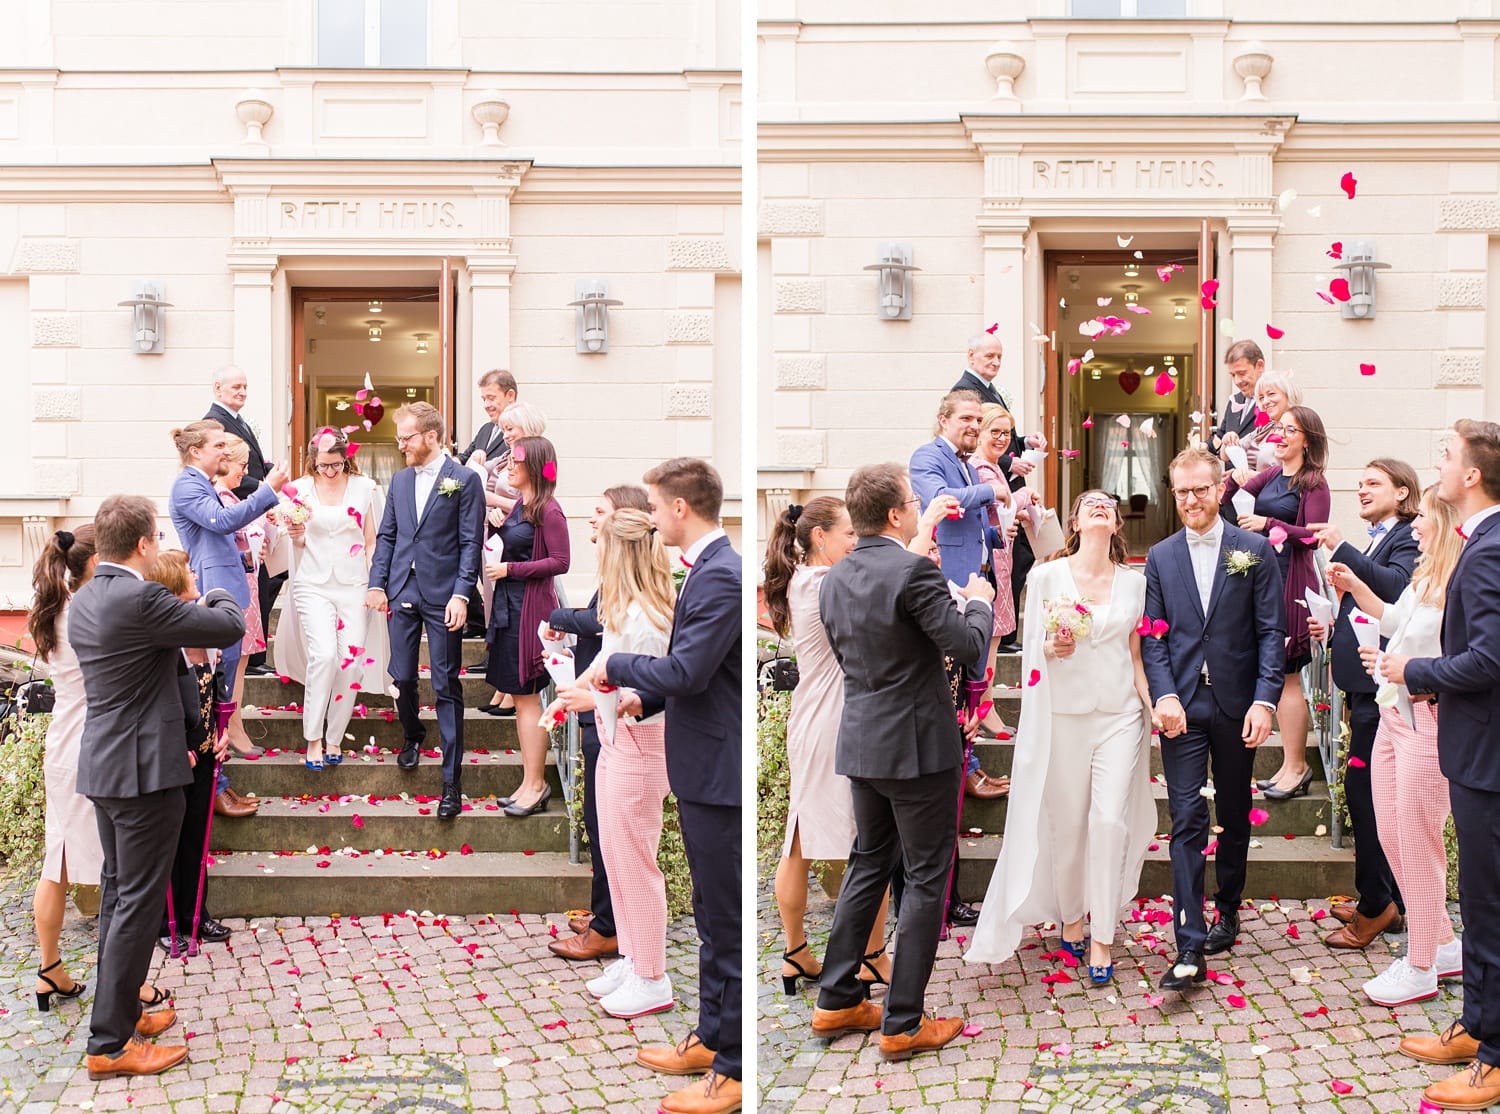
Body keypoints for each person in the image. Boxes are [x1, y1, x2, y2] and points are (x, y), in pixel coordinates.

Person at [808, 463, 993, 1063]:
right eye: (913, 502)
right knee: (924, 876)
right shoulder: (914, 572)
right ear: (894, 514)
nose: (918, 510)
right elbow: (966, 648)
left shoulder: (834, 579)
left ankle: (836, 998)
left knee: (868, 864)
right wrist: (980, 605)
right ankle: (903, 1021)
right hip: (917, 748)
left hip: (863, 740)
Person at [580, 458, 742, 1114]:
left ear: (680, 508)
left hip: (716, 769)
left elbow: (689, 671)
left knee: (724, 922)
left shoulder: (722, 574)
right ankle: (710, 1036)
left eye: (654, 504)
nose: (648, 516)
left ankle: (730, 1073)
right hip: (697, 765)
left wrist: (614, 665)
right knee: (708, 914)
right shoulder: (706, 570)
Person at [69, 494, 245, 1080]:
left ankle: (119, 1013)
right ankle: (109, 1044)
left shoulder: (89, 595)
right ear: (145, 544)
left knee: (122, 900)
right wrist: (213, 587)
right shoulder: (143, 598)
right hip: (145, 776)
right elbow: (227, 624)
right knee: (137, 907)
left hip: (107, 768)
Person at [967, 490, 1156, 986]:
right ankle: (1072, 915)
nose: (1100, 507)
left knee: (1110, 818)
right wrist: (1050, 646)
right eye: (1089, 503)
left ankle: (1102, 936)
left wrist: (1155, 707)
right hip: (1064, 714)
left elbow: (1138, 657)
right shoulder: (1046, 576)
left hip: (1120, 715)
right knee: (1069, 824)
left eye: (1107, 505)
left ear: (1116, 525)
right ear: (1074, 521)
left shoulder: (1136, 584)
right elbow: (1033, 654)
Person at [1382, 420, 1500, 1112]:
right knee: (1481, 905)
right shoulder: (1479, 542)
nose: (1440, 465)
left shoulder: (1486, 552)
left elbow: (1487, 660)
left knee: (1487, 908)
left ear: (1474, 477)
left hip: (1485, 756)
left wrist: (1415, 669)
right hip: (1477, 748)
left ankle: (1493, 1056)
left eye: (1449, 457)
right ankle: (1477, 1025)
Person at [1142, 448, 1284, 992]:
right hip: (1183, 707)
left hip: (1236, 701)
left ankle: (1228, 906)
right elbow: (1154, 635)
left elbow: (1271, 631)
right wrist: (1165, 695)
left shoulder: (1252, 550)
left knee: (1236, 806)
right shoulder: (1160, 555)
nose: (1191, 501)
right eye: (1181, 492)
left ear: (1220, 488)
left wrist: (1265, 700)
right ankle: (1189, 943)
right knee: (1184, 818)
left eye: (1200, 489)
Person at [1320, 486, 1462, 1005]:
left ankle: (1421, 964)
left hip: (1427, 718)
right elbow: (1393, 619)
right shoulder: (1424, 574)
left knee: (1418, 841)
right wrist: (1355, 585)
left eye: (1422, 515)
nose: (1415, 523)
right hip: (1391, 714)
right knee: (1391, 834)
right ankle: (1444, 943)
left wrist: (1407, 667)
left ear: (1443, 523)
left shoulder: (1459, 580)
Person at [762, 497, 895, 997]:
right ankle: (874, 956)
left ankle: (797, 952)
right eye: (848, 536)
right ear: (819, 537)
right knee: (868, 841)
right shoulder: (824, 583)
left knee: (799, 837)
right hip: (835, 719)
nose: (856, 543)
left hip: (812, 718)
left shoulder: (803, 581)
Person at [555, 508, 676, 1018]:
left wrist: (589, 699)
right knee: (615, 857)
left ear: (619, 551)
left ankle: (652, 976)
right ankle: (631, 956)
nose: (595, 552)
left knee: (635, 864)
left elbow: (645, 693)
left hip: (640, 746)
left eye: (601, 543)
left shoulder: (647, 620)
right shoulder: (624, 612)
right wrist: (574, 686)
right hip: (617, 743)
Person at [1306, 460, 1420, 949]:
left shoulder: (1409, 537)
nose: (1362, 489)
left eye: (1374, 483)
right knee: (1366, 794)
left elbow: (1395, 589)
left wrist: (1341, 547)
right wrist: (1330, 622)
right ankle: (1380, 895)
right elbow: (1366, 601)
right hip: (1362, 685)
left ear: (1402, 491)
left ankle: (1378, 906)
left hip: (1383, 689)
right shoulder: (1376, 536)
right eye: (1361, 483)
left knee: (1367, 795)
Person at [545, 484, 651, 963]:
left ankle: (609, 927)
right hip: (596, 709)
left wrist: (561, 616)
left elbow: (600, 625)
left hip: (613, 720)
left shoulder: (631, 586)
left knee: (609, 827)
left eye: (600, 511)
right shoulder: (618, 576)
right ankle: (606, 915)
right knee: (598, 821)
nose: (591, 519)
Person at [366, 402, 484, 821]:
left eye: (407, 438)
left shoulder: (464, 481)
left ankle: (451, 783)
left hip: (444, 593)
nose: (401, 446)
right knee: (400, 674)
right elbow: (387, 536)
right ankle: (413, 734)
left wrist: (461, 595)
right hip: (401, 588)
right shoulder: (399, 482)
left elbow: (471, 543)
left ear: (431, 437)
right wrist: (376, 584)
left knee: (447, 683)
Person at [909, 390, 1011, 808]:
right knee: (949, 679)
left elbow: (968, 520)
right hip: (946, 581)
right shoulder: (927, 457)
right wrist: (991, 492)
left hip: (975, 578)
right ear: (943, 419)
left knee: (968, 678)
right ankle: (964, 773)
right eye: (966, 419)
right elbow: (943, 501)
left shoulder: (966, 464)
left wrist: (994, 538)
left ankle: (968, 763)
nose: (972, 426)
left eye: (976, 420)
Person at [1222, 405, 1330, 800]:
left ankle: (1297, 765)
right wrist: (1233, 481)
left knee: (1286, 676)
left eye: (1290, 430)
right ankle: (1286, 765)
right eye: (1278, 429)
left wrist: (1269, 525)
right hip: (1259, 579)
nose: (1280, 436)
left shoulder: (1313, 482)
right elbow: (1234, 501)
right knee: (1270, 669)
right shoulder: (1269, 475)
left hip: (1291, 583)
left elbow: (1313, 536)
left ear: (1307, 439)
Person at [272, 427, 386, 769]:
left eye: (336, 464)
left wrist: (374, 583)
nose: (331, 471)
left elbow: (370, 541)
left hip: (354, 584)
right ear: (313, 462)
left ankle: (335, 735)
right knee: (323, 656)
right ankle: (314, 738)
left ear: (346, 458)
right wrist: (295, 536)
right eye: (324, 465)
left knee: (350, 664)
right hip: (313, 582)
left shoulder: (365, 489)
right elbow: (298, 543)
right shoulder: (300, 490)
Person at [28, 525, 105, 1010]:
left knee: (55, 862)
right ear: (93, 563)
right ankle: (129, 985)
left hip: (62, 741)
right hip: (92, 744)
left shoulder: (54, 606)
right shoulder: (89, 613)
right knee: (117, 869)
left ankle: (49, 967)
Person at [167, 419, 288, 718]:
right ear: (195, 452)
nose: (225, 451)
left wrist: (245, 558)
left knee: (227, 676)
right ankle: (216, 757)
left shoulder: (203, 485)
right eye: (218, 445)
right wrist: (268, 489)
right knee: (217, 681)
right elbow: (220, 522)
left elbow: (219, 538)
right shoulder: (187, 486)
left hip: (226, 589)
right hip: (212, 591)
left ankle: (220, 751)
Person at [146, 550, 233, 951]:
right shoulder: (164, 641)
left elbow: (211, 695)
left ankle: (196, 916)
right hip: (175, 754)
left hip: (205, 753)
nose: (195, 573)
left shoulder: (205, 636)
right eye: (188, 570)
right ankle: (165, 924)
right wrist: (180, 745)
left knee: (197, 837)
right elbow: (157, 703)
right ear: (172, 583)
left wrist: (221, 733)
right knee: (172, 838)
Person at [484, 435, 569, 817]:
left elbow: (561, 561)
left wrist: (511, 569)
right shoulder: (522, 505)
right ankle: (528, 780)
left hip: (530, 613)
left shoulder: (549, 510)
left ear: (534, 466)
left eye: (516, 463)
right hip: (509, 608)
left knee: (527, 697)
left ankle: (536, 784)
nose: (509, 469)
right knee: (520, 699)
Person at [949, 333, 1045, 653]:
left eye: (999, 357)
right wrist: (1009, 463)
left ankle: (1003, 634)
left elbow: (1002, 432)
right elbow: (976, 439)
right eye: (989, 356)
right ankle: (1001, 635)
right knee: (1007, 558)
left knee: (1017, 555)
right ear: (971, 355)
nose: (995, 362)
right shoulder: (965, 391)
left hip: (1005, 485)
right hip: (994, 487)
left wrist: (1024, 442)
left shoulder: (990, 390)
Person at [205, 364, 279, 678]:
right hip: (240, 501)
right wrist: (265, 488)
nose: (242, 392)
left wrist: (270, 472)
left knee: (266, 574)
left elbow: (252, 466)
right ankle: (254, 655)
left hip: (252, 501)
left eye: (245, 387)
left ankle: (257, 653)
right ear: (217, 388)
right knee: (258, 576)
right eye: (236, 387)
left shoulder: (236, 421)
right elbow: (227, 468)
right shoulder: (215, 423)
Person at [476, 400, 548, 707]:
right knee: (496, 608)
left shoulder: (539, 457)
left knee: (514, 618)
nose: (505, 434)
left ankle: (511, 691)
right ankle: (502, 689)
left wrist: (495, 500)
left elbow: (539, 501)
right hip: (498, 538)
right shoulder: (507, 457)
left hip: (522, 544)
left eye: (509, 428)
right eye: (503, 429)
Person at [211, 434, 275, 762]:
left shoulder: (232, 499)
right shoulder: (220, 499)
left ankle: (235, 723)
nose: (244, 472)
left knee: (243, 661)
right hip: (235, 589)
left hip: (247, 584)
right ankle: (231, 726)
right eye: (241, 465)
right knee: (234, 664)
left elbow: (251, 544)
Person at [973, 402, 1031, 723]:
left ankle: (987, 702)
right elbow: (998, 500)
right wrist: (1025, 497)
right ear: (980, 433)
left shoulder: (995, 466)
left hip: (1002, 558)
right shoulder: (982, 468)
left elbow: (999, 512)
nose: (1001, 438)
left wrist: (1017, 510)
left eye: (1006, 433)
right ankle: (985, 705)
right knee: (990, 639)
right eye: (994, 432)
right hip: (990, 564)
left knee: (994, 638)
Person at [1211, 339, 1266, 451]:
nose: (1237, 381)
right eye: (1233, 375)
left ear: (1260, 366)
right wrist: (1203, 446)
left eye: (1242, 373)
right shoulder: (1235, 400)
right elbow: (1221, 436)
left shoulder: (1272, 402)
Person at [457, 369, 518, 465]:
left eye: (491, 398)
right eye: (484, 399)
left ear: (510, 395)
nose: (486, 405)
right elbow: (465, 457)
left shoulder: (522, 431)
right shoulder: (486, 429)